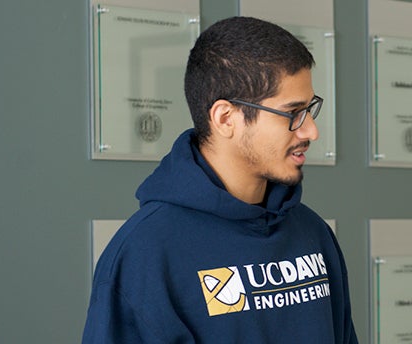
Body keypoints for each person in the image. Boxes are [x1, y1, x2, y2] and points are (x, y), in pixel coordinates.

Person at [83, 17, 358, 343]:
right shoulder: (144, 256)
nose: (311, 131)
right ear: (226, 118)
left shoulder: (313, 234)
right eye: (293, 113)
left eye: (310, 110)